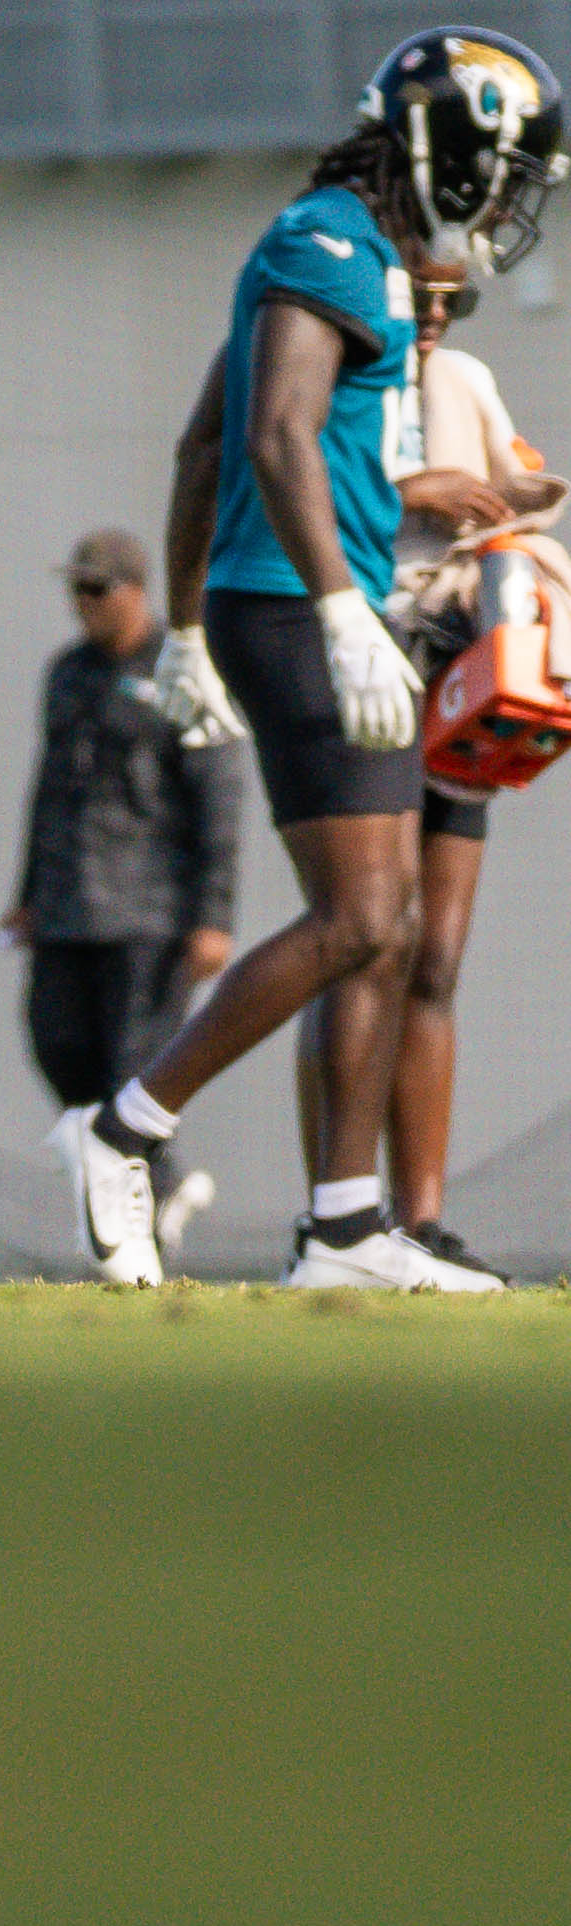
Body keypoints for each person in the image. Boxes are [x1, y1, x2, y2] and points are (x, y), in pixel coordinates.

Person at [65, 31, 564, 1291]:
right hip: (301, 605)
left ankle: (344, 1226)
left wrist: (182, 631)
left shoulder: (369, 262)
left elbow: (198, 447)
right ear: (450, 152)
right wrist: (340, 609)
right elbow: (277, 433)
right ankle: (123, 1129)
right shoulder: (325, 241)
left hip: (303, 602)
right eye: (503, 174)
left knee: (387, 929)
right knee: (357, 917)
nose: (508, 206)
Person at [374, 265, 565, 1270]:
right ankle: (341, 1212)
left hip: (454, 664)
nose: (436, 318)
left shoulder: (464, 380)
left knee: (436, 957)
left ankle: (421, 1220)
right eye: (423, 296)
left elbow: (517, 488)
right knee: (365, 937)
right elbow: (292, 483)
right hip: (368, 659)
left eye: (451, 300)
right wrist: (413, 490)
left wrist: (508, 513)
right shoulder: (345, 376)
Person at [0, 526, 238, 1264]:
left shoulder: (179, 668)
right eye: (75, 588)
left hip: (149, 911)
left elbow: (218, 795)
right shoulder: (64, 672)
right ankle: (160, 1179)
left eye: (95, 589)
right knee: (56, 1044)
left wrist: (212, 916)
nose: (82, 604)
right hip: (68, 905)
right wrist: (28, 893)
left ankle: (133, 1215)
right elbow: (45, 789)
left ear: (134, 592)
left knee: (130, 1067)